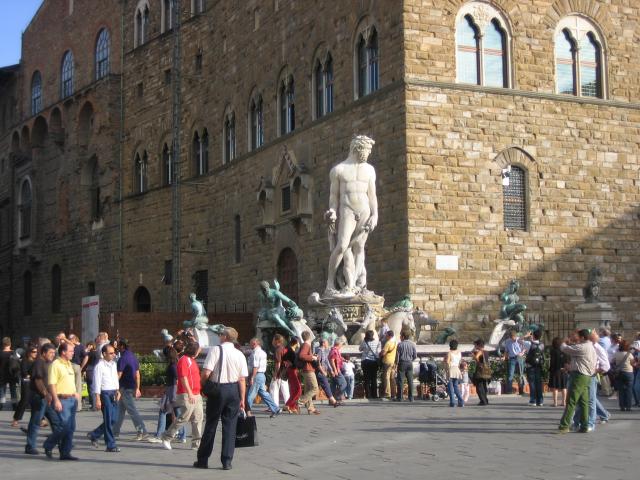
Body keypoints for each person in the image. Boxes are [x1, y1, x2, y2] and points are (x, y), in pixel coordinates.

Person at [324, 135, 378, 295]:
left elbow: (372, 195)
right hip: (347, 209)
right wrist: (332, 211)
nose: (368, 154)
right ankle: (330, 285)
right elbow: (334, 197)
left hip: (364, 210)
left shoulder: (369, 169)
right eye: (366, 150)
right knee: (342, 245)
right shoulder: (338, 170)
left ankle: (353, 285)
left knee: (360, 247)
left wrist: (375, 214)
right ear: (356, 149)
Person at [195, 327, 248, 470]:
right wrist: (242, 398)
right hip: (234, 390)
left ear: (225, 337)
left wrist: (203, 386)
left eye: (220, 334)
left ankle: (203, 460)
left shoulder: (216, 350)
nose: (219, 335)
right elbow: (242, 379)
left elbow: (206, 373)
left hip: (218, 390)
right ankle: (227, 461)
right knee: (230, 426)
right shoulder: (239, 354)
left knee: (211, 424)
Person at [162, 341, 203, 450]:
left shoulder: (192, 360)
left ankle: (196, 444)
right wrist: (189, 393)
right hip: (187, 393)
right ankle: (167, 436)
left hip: (196, 393)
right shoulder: (184, 360)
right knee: (184, 417)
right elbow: (183, 377)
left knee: (198, 418)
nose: (200, 351)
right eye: (198, 349)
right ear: (194, 350)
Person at [43, 342, 79, 460]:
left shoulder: (68, 364)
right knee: (64, 426)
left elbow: (68, 381)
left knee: (71, 427)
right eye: (70, 351)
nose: (73, 353)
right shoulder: (56, 364)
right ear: (63, 352)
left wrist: (74, 393)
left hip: (72, 399)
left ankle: (65, 453)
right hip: (62, 399)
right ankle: (48, 444)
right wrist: (56, 400)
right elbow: (52, 384)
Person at [558, 330, 596, 433]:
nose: (575, 337)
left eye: (577, 335)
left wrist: (563, 341)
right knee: (584, 402)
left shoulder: (582, 347)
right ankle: (584, 425)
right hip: (586, 376)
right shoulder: (590, 346)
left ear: (582, 337)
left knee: (571, 401)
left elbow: (565, 348)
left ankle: (564, 425)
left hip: (579, 376)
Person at [87, 344, 121, 452]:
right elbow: (96, 383)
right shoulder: (99, 366)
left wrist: (117, 390)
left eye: (114, 352)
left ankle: (94, 434)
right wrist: (97, 398)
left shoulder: (113, 364)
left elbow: (115, 378)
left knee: (114, 419)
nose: (113, 355)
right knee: (108, 419)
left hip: (113, 393)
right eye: (111, 353)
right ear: (104, 354)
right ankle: (110, 444)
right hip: (104, 393)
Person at [149, 347, 186, 444]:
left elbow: (177, 379)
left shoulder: (173, 366)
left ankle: (159, 435)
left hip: (173, 390)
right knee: (178, 413)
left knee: (164, 411)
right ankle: (182, 435)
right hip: (173, 389)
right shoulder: (176, 364)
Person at [113, 339, 148, 440]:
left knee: (132, 410)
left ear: (122, 346)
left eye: (118, 346)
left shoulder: (122, 358)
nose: (117, 348)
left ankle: (142, 431)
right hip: (131, 386)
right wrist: (137, 388)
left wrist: (114, 387)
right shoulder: (133, 357)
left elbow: (119, 374)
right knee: (120, 410)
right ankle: (114, 431)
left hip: (124, 387)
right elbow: (137, 374)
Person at [24, 343, 56, 455]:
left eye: (54, 352)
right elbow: (38, 380)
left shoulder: (48, 363)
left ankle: (60, 442)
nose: (53, 355)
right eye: (50, 353)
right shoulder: (39, 363)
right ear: (43, 353)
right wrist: (45, 393)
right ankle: (30, 446)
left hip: (47, 398)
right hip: (39, 397)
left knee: (56, 421)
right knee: (35, 421)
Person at [245, 338, 281, 418]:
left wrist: (252, 377)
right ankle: (275, 408)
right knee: (264, 394)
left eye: (250, 344)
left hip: (257, 375)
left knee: (250, 395)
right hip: (261, 375)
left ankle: (246, 411)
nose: (249, 345)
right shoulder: (262, 352)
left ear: (254, 343)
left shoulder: (256, 353)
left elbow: (256, 366)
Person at [11, 344, 38, 428]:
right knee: (24, 401)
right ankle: (16, 419)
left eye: (36, 352)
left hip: (35, 383)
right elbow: (25, 373)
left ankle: (41, 420)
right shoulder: (25, 361)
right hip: (26, 383)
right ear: (29, 353)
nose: (35, 353)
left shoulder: (36, 361)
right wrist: (30, 375)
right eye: (34, 352)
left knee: (37, 402)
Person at [298, 331, 320, 414]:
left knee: (308, 389)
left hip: (306, 369)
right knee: (315, 388)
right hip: (308, 369)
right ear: (309, 337)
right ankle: (299, 402)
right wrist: (312, 357)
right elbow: (301, 355)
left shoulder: (305, 345)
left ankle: (310, 408)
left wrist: (312, 356)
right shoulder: (306, 345)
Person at [315, 338, 341, 407]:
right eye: (327, 342)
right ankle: (333, 401)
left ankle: (305, 401)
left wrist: (331, 370)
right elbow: (318, 364)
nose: (328, 344)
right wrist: (323, 371)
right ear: (323, 343)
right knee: (326, 385)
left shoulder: (324, 351)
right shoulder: (320, 351)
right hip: (320, 372)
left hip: (322, 371)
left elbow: (326, 361)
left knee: (313, 388)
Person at [612, 340, 635, 411]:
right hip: (628, 373)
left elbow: (612, 361)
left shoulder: (616, 354)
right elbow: (633, 364)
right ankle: (628, 406)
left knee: (621, 390)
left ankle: (622, 406)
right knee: (629, 390)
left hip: (619, 373)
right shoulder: (629, 354)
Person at [394, 331, 417, 402]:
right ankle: (411, 397)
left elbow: (397, 356)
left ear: (403, 337)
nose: (400, 337)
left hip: (402, 363)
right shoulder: (412, 344)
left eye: (400, 336)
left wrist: (396, 364)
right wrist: (411, 360)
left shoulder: (400, 345)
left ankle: (400, 397)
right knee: (410, 381)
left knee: (400, 381)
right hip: (409, 363)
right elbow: (415, 356)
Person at [269, 334, 290, 408]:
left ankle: (275, 406)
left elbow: (278, 363)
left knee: (273, 388)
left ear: (276, 341)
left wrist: (275, 374)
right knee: (285, 389)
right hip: (285, 371)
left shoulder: (278, 349)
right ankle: (289, 404)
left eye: (273, 339)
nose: (272, 341)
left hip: (279, 372)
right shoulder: (284, 348)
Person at [524, 330, 545, 407]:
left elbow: (519, 340)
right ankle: (540, 400)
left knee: (532, 383)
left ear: (533, 335)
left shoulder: (529, 343)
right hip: (538, 365)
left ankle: (533, 400)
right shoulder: (542, 345)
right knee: (538, 383)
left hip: (530, 366)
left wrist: (526, 336)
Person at [283, 337, 301, 414]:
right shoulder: (292, 352)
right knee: (298, 389)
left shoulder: (289, 350)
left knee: (294, 389)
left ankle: (292, 406)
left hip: (291, 371)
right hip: (293, 371)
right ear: (296, 343)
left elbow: (285, 359)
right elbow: (295, 364)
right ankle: (288, 404)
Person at [359, 330, 380, 399]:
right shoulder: (377, 342)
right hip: (374, 362)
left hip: (366, 361)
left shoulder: (364, 342)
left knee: (367, 379)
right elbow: (378, 351)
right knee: (374, 379)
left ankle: (368, 395)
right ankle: (375, 395)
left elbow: (360, 349)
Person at [504, 330, 526, 394]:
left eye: (514, 337)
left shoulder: (519, 340)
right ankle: (509, 390)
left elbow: (525, 348)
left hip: (519, 358)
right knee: (510, 375)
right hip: (512, 358)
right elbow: (506, 351)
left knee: (520, 375)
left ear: (516, 336)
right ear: (510, 337)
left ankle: (521, 390)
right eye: (512, 338)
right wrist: (504, 356)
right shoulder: (508, 342)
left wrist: (522, 353)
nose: (513, 339)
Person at [0, 336, 19, 410]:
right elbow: (18, 363)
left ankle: (1, 405)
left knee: (2, 390)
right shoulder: (14, 353)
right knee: (13, 390)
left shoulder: (0, 353)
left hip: (2, 374)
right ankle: (14, 405)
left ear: (3, 344)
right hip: (12, 374)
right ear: (10, 344)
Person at [548, 337, 568, 407]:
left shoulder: (553, 351)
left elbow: (552, 362)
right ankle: (564, 402)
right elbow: (566, 360)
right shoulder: (564, 350)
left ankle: (555, 402)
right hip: (563, 370)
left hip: (555, 371)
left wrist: (550, 369)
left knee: (555, 387)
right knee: (564, 387)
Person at [68, 334, 85, 412]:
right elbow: (86, 356)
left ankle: (77, 406)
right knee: (76, 386)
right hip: (76, 366)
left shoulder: (72, 346)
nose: (69, 340)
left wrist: (81, 366)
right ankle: (77, 406)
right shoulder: (81, 346)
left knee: (76, 386)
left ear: (74, 339)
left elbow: (86, 356)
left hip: (73, 365)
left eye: (70, 339)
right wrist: (82, 366)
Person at [445, 339, 464, 407]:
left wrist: (447, 370)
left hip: (451, 369)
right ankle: (461, 401)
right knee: (456, 386)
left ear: (450, 345)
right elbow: (460, 361)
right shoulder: (459, 352)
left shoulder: (449, 353)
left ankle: (452, 402)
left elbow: (447, 362)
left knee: (450, 387)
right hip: (457, 369)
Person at [380, 331, 397, 399]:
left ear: (389, 336)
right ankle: (394, 393)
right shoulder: (395, 342)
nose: (385, 336)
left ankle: (387, 394)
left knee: (386, 378)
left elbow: (383, 353)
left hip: (387, 361)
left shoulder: (388, 343)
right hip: (392, 362)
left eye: (386, 335)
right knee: (392, 378)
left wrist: (380, 353)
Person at [472, 339, 489, 406]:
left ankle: (483, 400)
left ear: (478, 345)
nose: (475, 346)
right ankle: (485, 400)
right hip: (486, 369)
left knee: (479, 385)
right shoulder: (486, 352)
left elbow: (476, 358)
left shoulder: (480, 351)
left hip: (480, 370)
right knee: (484, 385)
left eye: (475, 345)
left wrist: (474, 357)